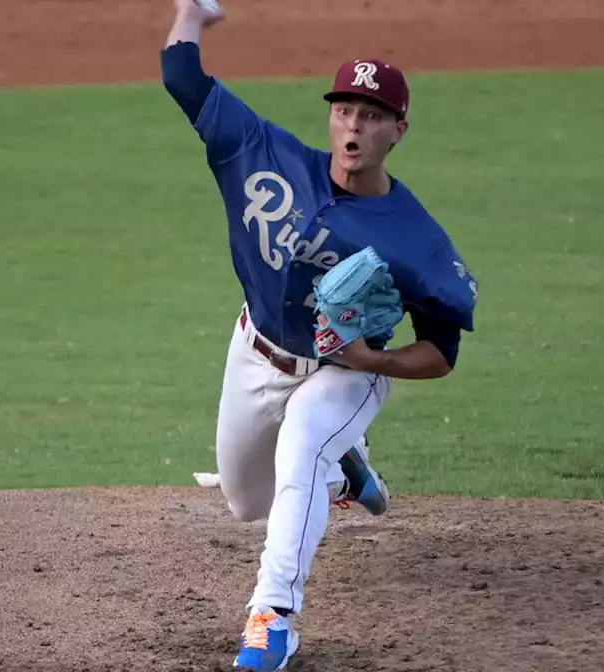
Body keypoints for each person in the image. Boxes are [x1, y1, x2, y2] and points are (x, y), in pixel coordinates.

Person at [160, 1, 478, 669]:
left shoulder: (415, 238)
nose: (353, 125)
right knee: (246, 501)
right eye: (344, 110)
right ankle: (344, 472)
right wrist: (190, 12)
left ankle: (273, 618)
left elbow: (442, 352)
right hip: (256, 349)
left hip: (346, 372)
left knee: (305, 439)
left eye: (371, 116)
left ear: (399, 129)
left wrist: (375, 359)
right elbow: (182, 77)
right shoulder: (263, 152)